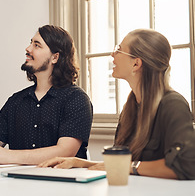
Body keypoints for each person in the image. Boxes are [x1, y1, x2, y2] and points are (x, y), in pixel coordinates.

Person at [39, 29, 195, 180]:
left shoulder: (173, 105)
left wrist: (130, 167)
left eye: (119, 50)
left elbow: (185, 165)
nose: (112, 55)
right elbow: (128, 165)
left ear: (136, 64)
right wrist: (80, 163)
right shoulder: (131, 106)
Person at [0, 25, 93, 165]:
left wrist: (7, 156)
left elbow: (65, 152)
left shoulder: (76, 99)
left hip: (62, 184)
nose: (28, 48)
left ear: (55, 57)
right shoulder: (15, 101)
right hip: (18, 184)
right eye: (31, 43)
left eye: (37, 45)